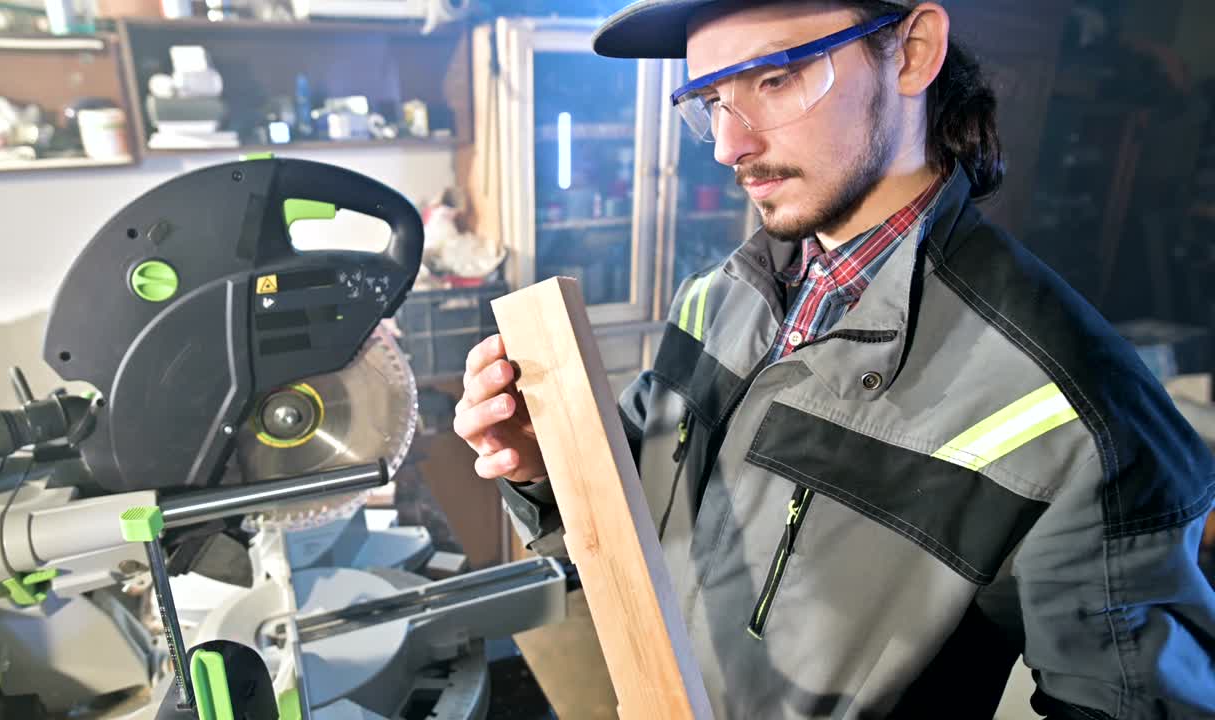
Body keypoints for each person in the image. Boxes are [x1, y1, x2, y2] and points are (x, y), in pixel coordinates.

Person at [454, 1, 1215, 717]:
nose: (728, 145)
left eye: (775, 78)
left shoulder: (1077, 410)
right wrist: (542, 467)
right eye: (713, 99)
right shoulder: (716, 295)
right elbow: (642, 512)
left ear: (912, 53)